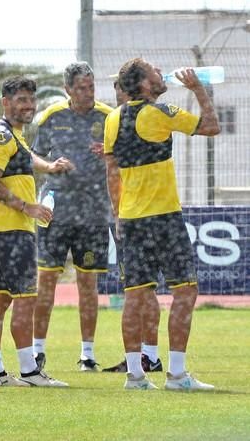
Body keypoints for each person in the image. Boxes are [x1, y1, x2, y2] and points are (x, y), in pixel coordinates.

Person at [104, 58, 219, 390]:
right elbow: (211, 126)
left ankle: (135, 377)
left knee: (135, 296)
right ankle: (177, 375)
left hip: (131, 219)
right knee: (185, 291)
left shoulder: (112, 119)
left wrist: (118, 214)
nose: (161, 73)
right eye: (155, 71)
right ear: (143, 84)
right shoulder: (159, 113)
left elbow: (111, 171)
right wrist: (198, 89)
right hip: (163, 218)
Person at [0, 75, 73, 387]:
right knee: (24, 299)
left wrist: (49, 167)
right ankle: (30, 372)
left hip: (6, 230)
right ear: (5, 103)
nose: (28, 106)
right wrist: (27, 207)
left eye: (31, 100)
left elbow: (25, 157)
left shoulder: (13, 136)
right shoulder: (0, 137)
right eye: (21, 100)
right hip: (10, 230)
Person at [31, 62, 112, 372]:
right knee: (46, 280)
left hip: (93, 213)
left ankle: (87, 354)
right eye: (81, 88)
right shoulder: (52, 117)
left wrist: (108, 153)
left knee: (88, 284)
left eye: (91, 87)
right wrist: (50, 166)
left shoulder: (107, 117)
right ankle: (38, 352)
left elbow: (122, 158)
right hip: (57, 211)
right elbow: (30, 155)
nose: (87, 93)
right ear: (67, 90)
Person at [103, 76, 162, 374]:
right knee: (141, 289)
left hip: (137, 217)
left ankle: (146, 356)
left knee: (139, 289)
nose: (120, 106)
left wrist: (118, 214)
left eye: (122, 98)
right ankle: (145, 356)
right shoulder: (120, 126)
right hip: (134, 215)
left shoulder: (146, 120)